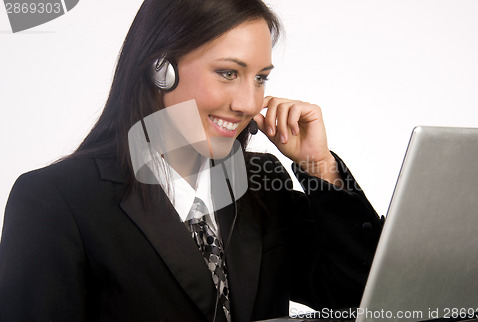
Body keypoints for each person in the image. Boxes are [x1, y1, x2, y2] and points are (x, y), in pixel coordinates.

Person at [0, 0, 383, 321]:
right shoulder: (56, 199)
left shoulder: (262, 180)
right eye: (229, 73)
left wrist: (320, 167)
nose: (249, 104)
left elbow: (357, 297)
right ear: (161, 70)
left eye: (260, 78)